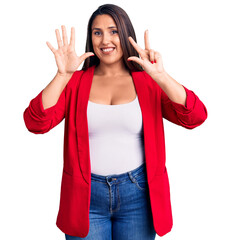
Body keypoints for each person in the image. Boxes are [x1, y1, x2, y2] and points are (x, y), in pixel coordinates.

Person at [23, 4, 208, 240]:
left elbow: (195, 117)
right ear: (90, 38)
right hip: (85, 197)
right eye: (97, 32)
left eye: (113, 31)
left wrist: (161, 76)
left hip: (138, 196)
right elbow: (35, 122)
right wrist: (62, 76)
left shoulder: (149, 82)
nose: (105, 40)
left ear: (125, 33)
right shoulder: (75, 82)